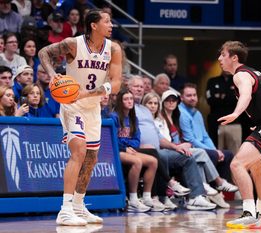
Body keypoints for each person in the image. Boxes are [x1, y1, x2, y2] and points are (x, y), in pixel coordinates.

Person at [38, 8, 122, 226]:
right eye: (107, 21)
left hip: (93, 107)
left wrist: (90, 93)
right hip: (71, 105)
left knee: (92, 158)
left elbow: (116, 84)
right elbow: (44, 53)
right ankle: (65, 210)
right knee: (79, 150)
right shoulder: (74, 44)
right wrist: (54, 74)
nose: (111, 25)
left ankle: (78, 206)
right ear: (94, 25)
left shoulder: (114, 49)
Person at [217, 41, 261, 228]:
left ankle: (249, 212)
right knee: (256, 167)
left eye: (223, 55)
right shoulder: (252, 72)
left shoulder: (240, 75)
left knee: (237, 163)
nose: (219, 58)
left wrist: (236, 113)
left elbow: (246, 96)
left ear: (234, 58)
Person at [128, 76, 217, 211]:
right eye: (136, 86)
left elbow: (159, 137)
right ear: (128, 88)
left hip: (158, 149)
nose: (139, 89)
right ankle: (166, 192)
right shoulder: (128, 108)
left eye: (141, 86)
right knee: (159, 156)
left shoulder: (145, 110)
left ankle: (195, 198)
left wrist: (176, 147)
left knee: (187, 156)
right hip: (141, 151)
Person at [143, 90, 238, 208]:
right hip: (160, 150)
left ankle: (200, 194)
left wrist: (214, 149)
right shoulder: (152, 120)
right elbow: (171, 140)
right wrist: (178, 147)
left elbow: (204, 135)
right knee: (199, 153)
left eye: (155, 103)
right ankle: (211, 185)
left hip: (172, 148)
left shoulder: (173, 117)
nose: (171, 103)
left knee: (203, 155)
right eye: (150, 103)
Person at [110, 89, 159, 212]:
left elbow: (137, 140)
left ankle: (147, 197)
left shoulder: (133, 118)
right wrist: (125, 147)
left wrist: (128, 146)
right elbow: (112, 138)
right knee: (137, 161)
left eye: (131, 99)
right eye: (126, 99)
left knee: (153, 161)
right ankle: (133, 199)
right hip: (116, 151)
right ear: (120, 102)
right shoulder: (114, 117)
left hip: (129, 149)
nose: (129, 101)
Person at [179, 83, 234, 183]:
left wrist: (215, 150)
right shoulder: (181, 113)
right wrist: (214, 152)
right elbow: (190, 139)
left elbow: (205, 136)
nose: (192, 98)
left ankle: (220, 190)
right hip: (191, 148)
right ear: (181, 97)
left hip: (202, 147)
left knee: (228, 154)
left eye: (194, 95)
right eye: (189, 95)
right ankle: (212, 191)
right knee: (212, 154)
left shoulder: (197, 113)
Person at [206, 71, 248, 152]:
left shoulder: (237, 81)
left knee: (234, 152)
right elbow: (210, 100)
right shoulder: (212, 81)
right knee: (217, 152)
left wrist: (221, 96)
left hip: (234, 123)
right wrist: (229, 96)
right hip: (216, 123)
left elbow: (239, 100)